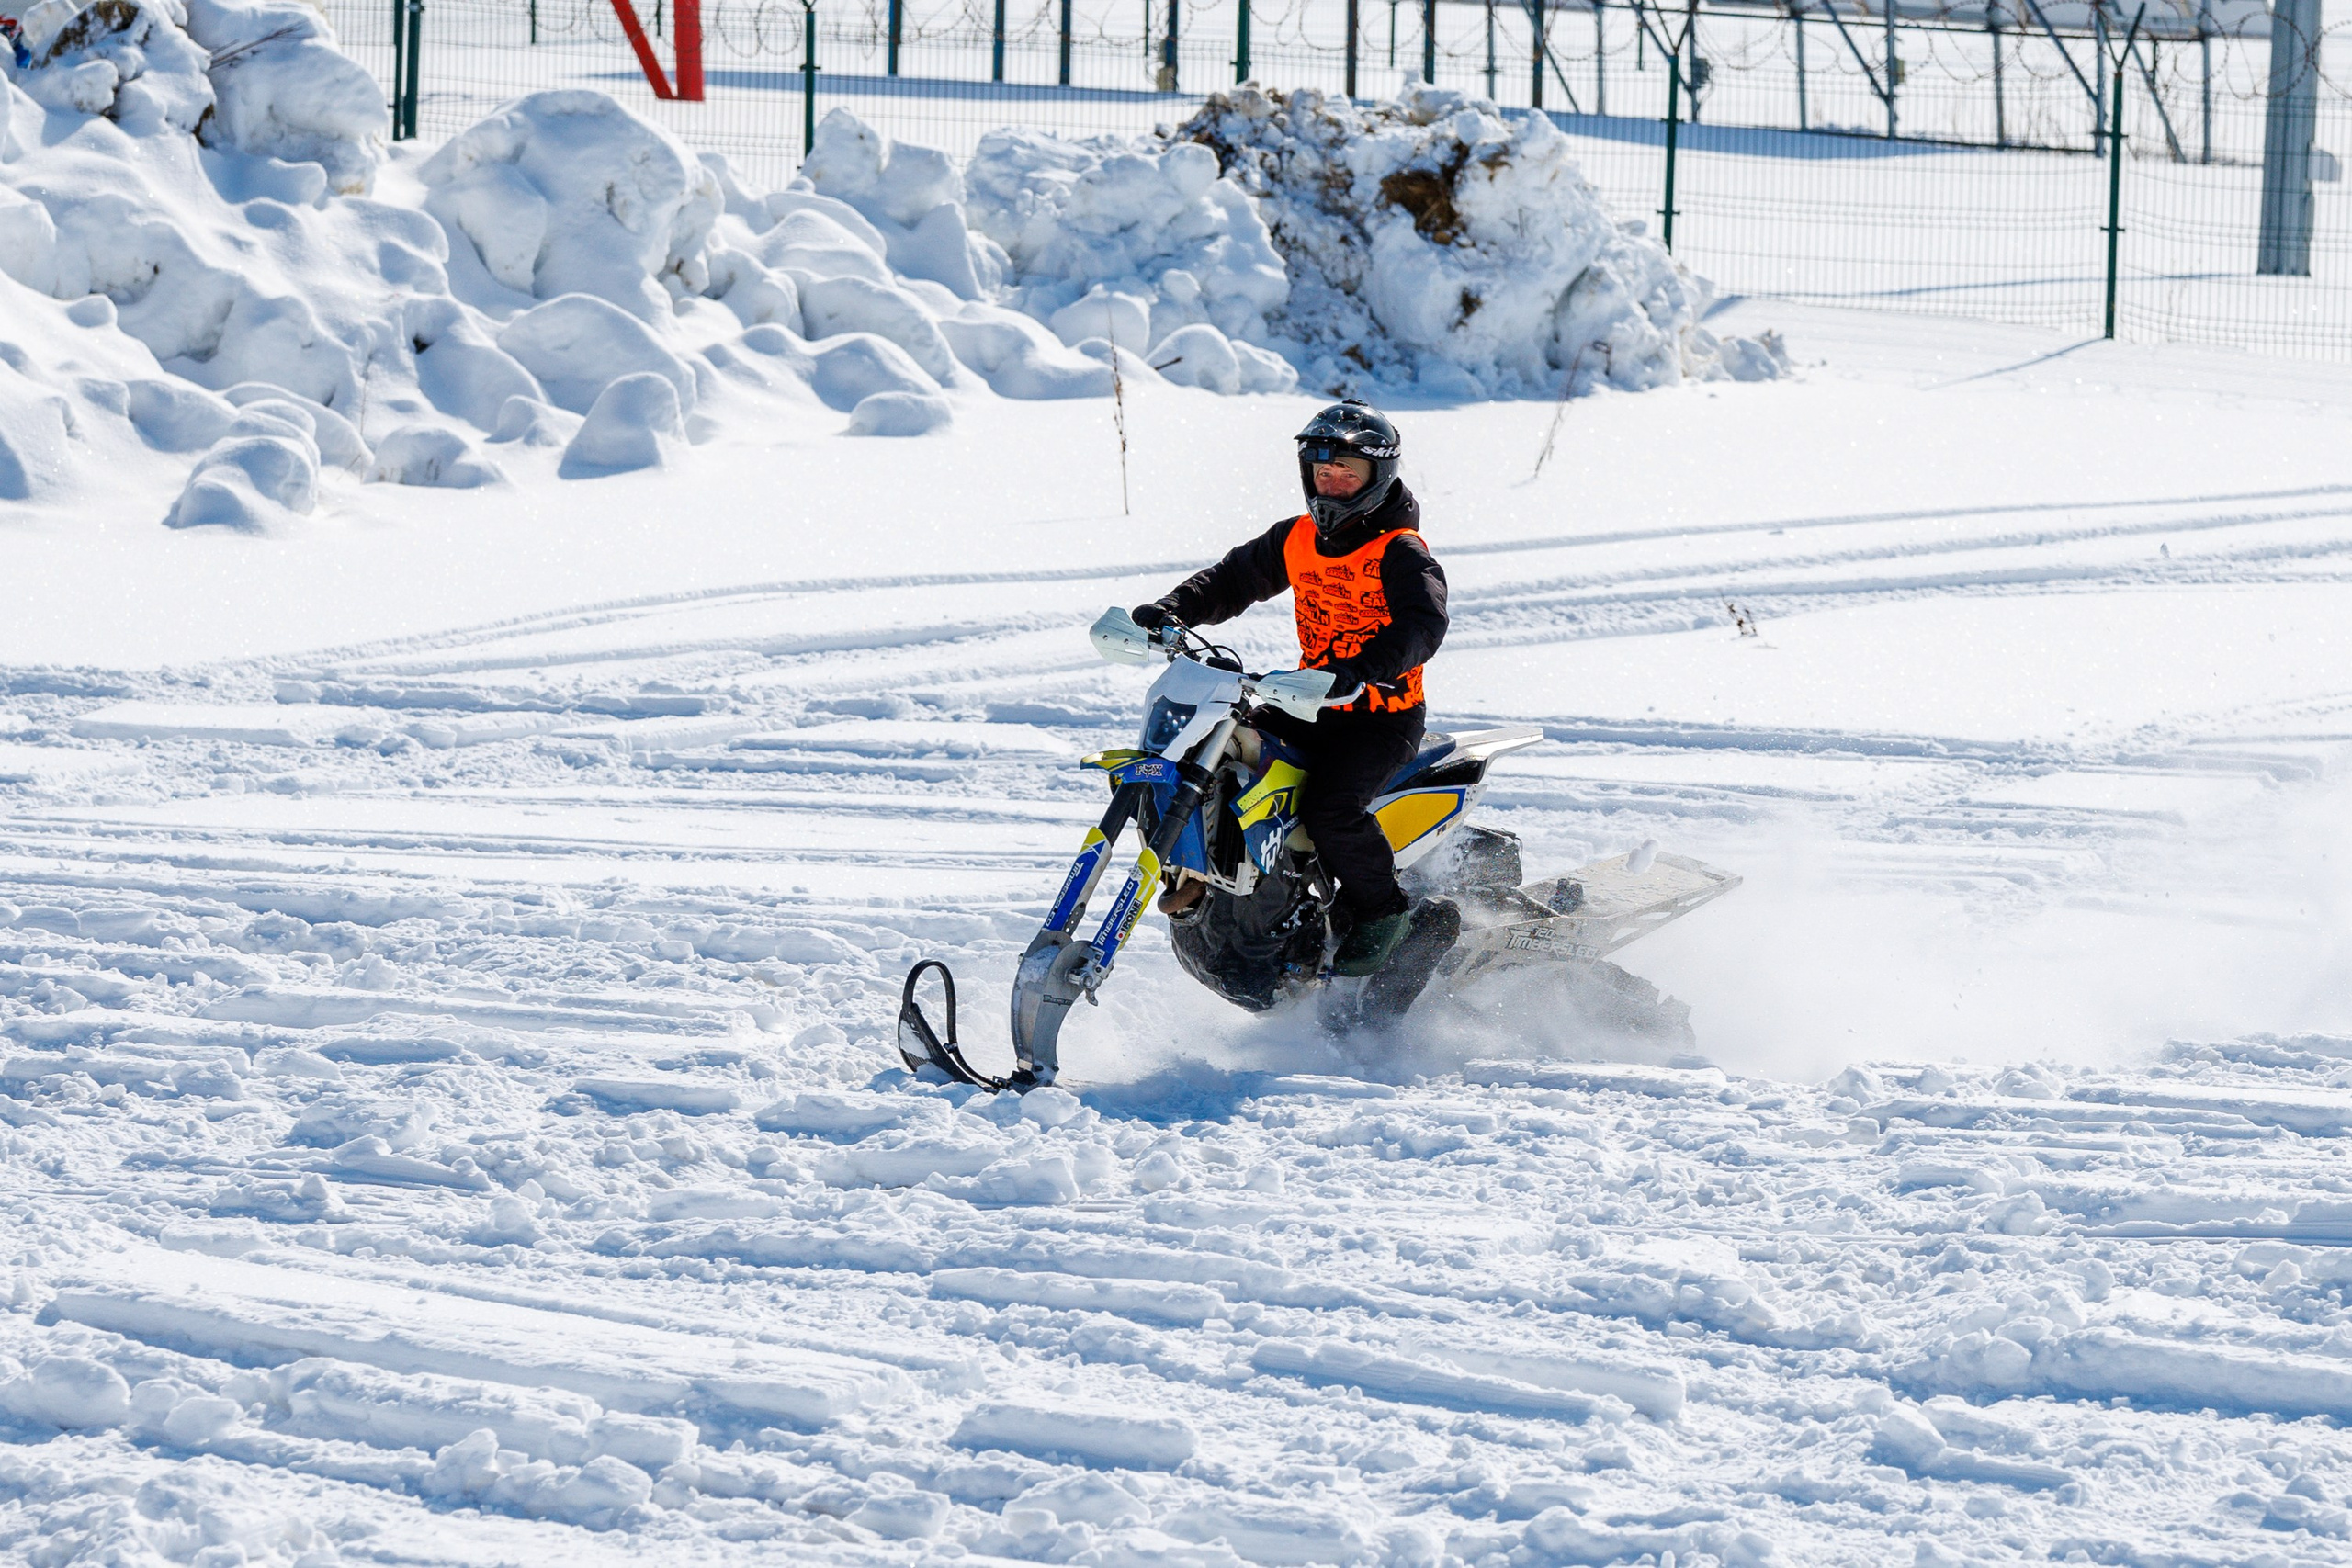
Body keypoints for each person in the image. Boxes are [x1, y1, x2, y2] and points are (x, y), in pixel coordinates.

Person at [1131, 400, 1449, 977]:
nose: (1332, 485)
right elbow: (1231, 580)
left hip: (1379, 717)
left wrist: (1356, 671)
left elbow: (1422, 627)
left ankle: (1382, 912)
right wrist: (1175, 609)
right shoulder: (1297, 539)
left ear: (1379, 478)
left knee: (1331, 807)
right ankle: (1213, 879)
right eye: (1322, 473)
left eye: (1347, 473)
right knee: (1220, 754)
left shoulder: (1399, 551)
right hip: (1307, 703)